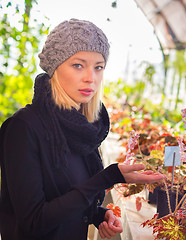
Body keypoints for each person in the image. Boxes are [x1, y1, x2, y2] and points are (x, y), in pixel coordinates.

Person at [0, 18, 164, 240]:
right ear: (55, 67)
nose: (91, 78)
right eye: (78, 65)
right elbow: (33, 222)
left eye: (98, 67)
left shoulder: (83, 129)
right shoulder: (24, 128)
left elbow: (64, 197)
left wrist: (97, 215)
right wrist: (107, 177)